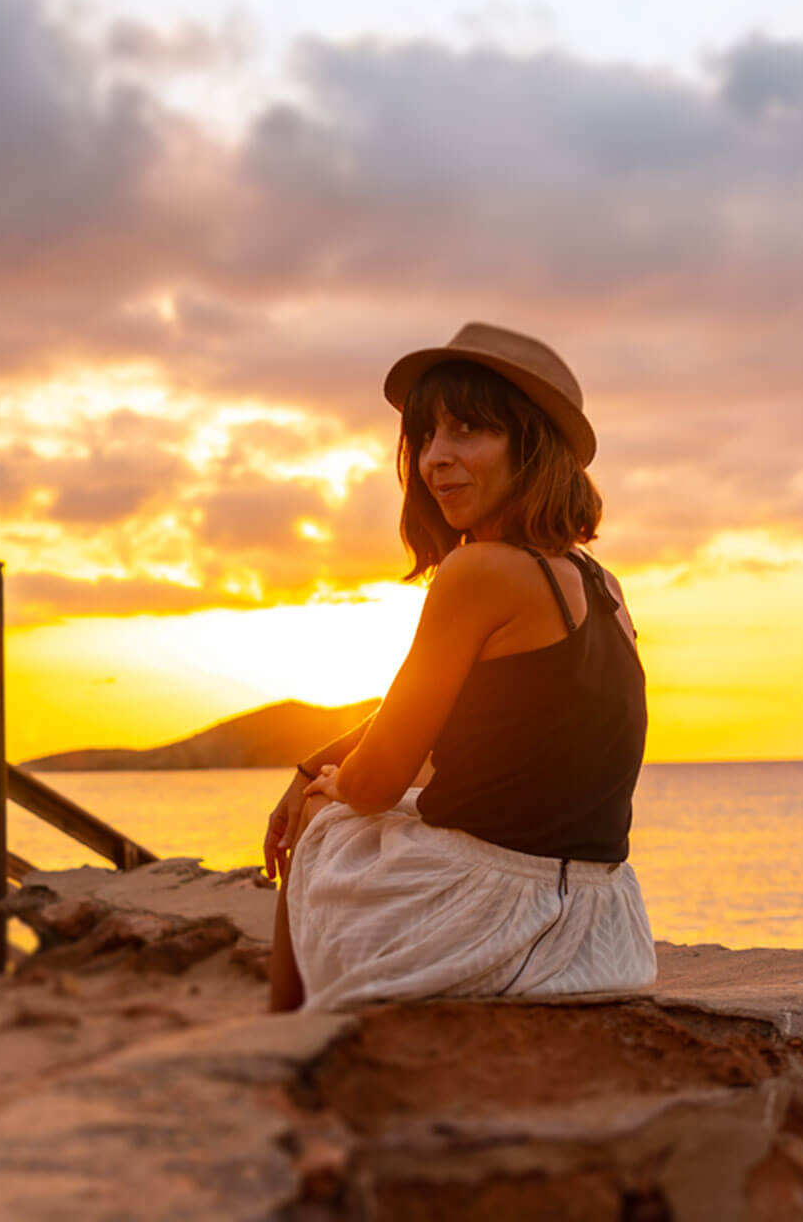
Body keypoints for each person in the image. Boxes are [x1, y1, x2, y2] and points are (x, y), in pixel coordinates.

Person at [260, 321, 658, 1014]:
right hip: (606, 924)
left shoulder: (478, 572)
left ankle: (288, 1040)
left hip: (498, 918)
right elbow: (439, 710)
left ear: (532, 448)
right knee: (334, 794)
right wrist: (316, 761)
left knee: (326, 818)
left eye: (467, 430)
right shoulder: (598, 583)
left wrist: (322, 785)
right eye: (425, 437)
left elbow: (379, 782)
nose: (434, 460)